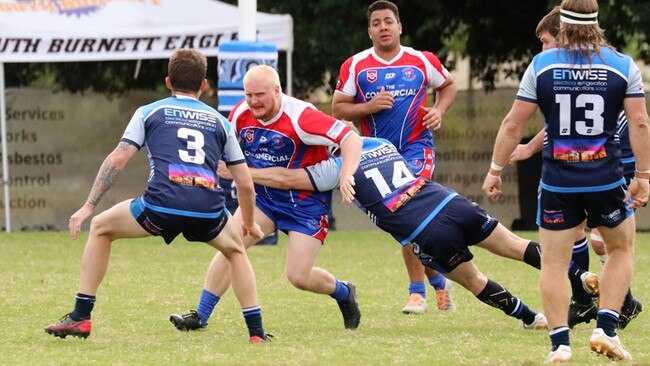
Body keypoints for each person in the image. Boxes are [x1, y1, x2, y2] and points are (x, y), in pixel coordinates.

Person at [44, 49, 271, 343]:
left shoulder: (149, 111)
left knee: (100, 227)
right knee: (236, 251)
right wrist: (249, 223)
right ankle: (256, 333)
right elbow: (245, 184)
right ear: (204, 85)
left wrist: (88, 206)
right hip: (207, 211)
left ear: (168, 82)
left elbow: (118, 160)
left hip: (159, 208)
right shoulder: (221, 122)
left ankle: (80, 317)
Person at [226, 134, 549, 330]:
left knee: (474, 279)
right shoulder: (383, 143)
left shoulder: (336, 168)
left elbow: (285, 178)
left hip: (424, 229)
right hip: (448, 201)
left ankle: (530, 317)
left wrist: (240, 171)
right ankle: (579, 276)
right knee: (518, 246)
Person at [482, 0, 650, 362]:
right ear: (596, 22)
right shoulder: (623, 66)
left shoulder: (541, 65)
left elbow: (513, 124)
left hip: (558, 183)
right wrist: (643, 176)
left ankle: (560, 345)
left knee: (554, 265)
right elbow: (639, 124)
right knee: (620, 249)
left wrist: (495, 170)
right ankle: (606, 328)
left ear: (563, 26)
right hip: (607, 180)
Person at [169, 65, 364, 332]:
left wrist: (347, 175)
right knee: (231, 245)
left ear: (277, 90)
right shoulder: (240, 113)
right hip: (264, 199)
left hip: (304, 204)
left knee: (298, 276)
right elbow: (219, 146)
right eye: (248, 95)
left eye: (259, 95)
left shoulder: (302, 116)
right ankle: (200, 316)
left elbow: (351, 138)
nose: (253, 102)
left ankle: (343, 292)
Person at [332, 0, 458, 315]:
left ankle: (417, 293)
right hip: (377, 156)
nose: (383, 27)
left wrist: (439, 111)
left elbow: (449, 85)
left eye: (388, 21)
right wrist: (368, 107)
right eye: (376, 23)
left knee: (408, 209)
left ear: (399, 26)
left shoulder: (420, 60)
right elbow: (338, 108)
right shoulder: (356, 65)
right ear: (369, 30)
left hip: (417, 148)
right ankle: (439, 282)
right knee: (406, 221)